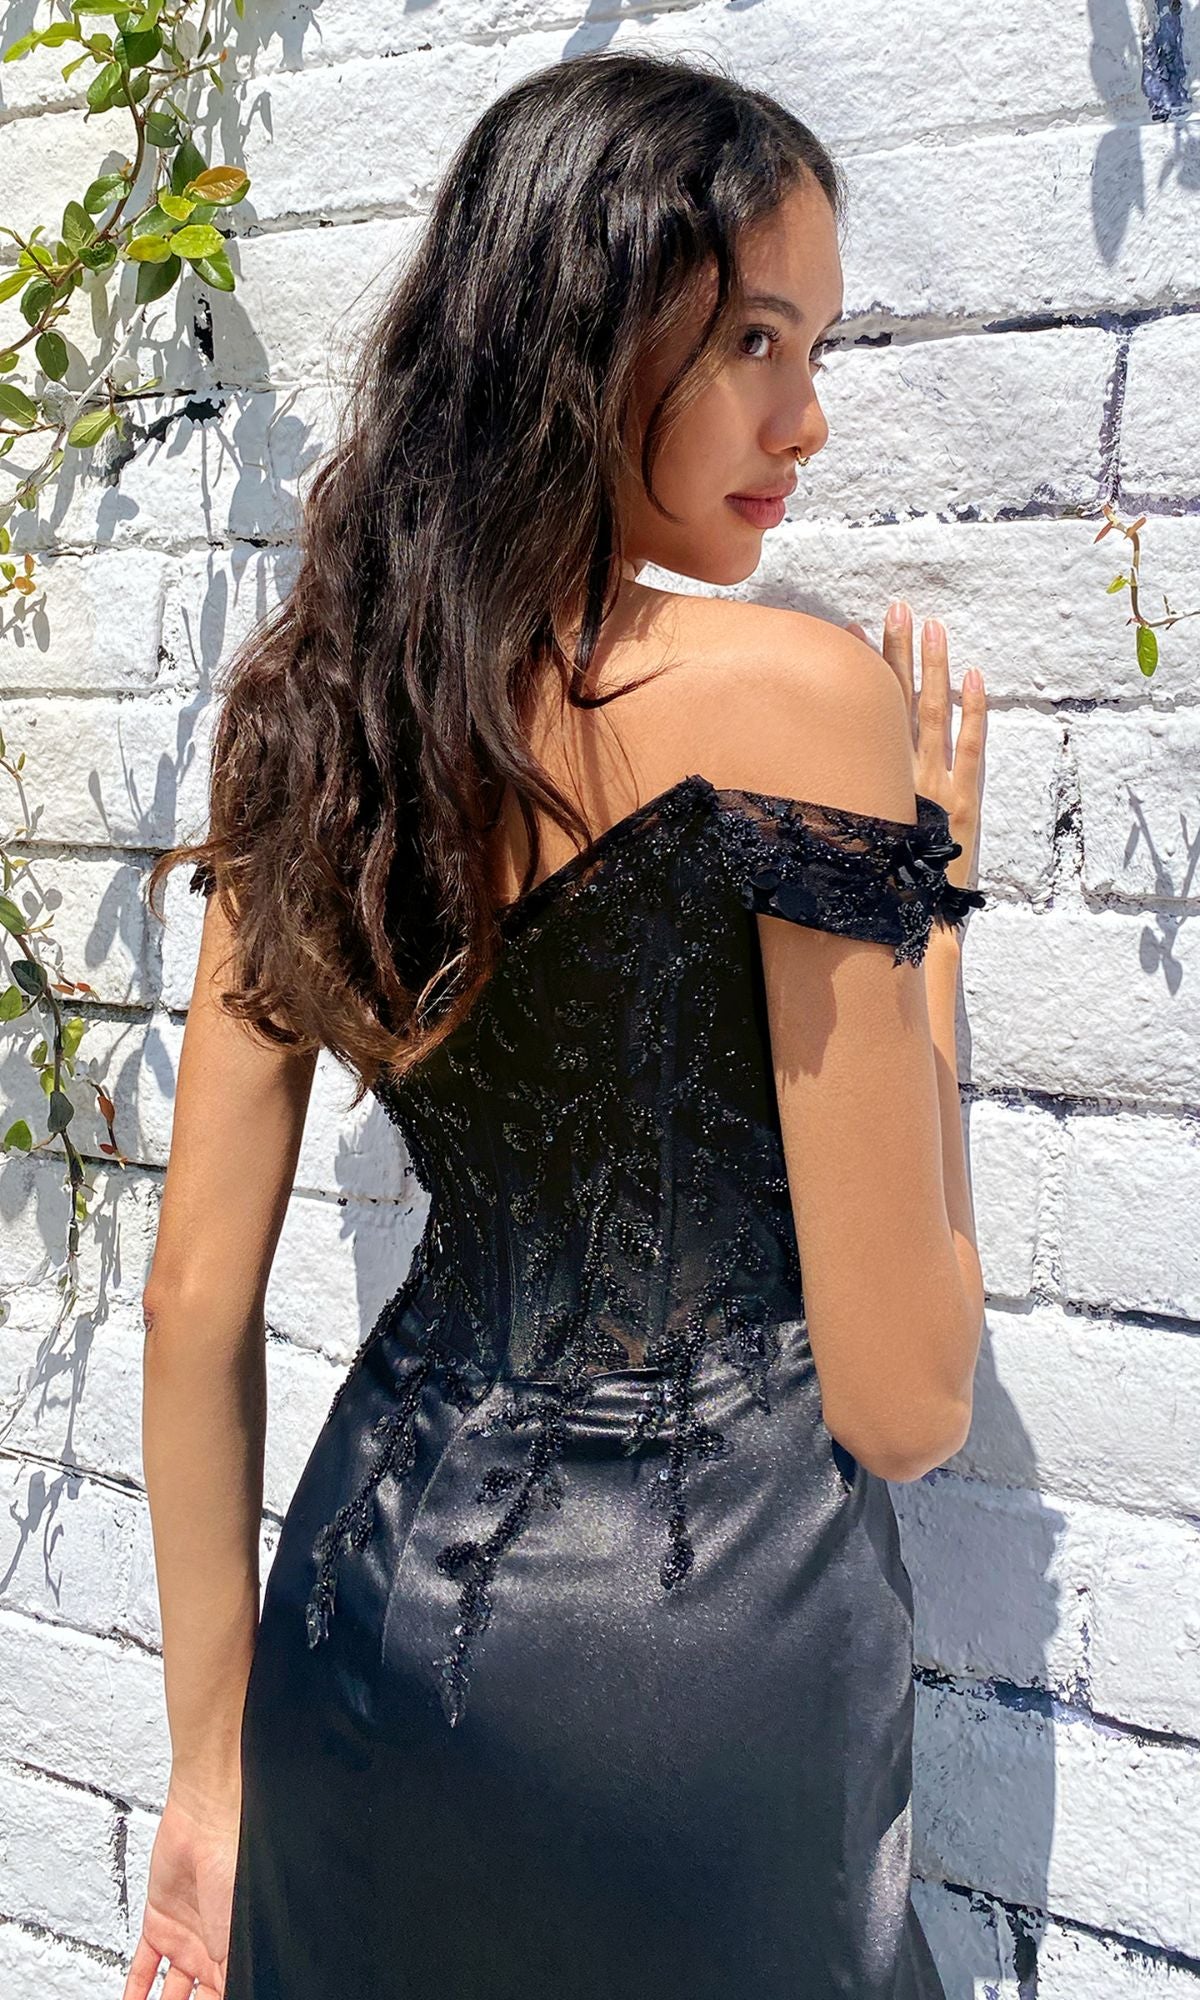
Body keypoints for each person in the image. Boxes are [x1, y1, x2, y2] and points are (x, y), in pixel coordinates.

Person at [126, 44, 988, 2000]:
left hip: (367, 1629)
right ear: (593, 332)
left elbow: (192, 1296)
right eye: (756, 339)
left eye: (816, 345)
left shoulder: (308, 721)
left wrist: (206, 1769)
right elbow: (908, 1401)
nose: (808, 416)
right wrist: (927, 906)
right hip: (709, 1674)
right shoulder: (804, 705)